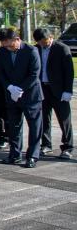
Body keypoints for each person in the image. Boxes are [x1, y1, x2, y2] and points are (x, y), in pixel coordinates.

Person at [0, 28, 43, 168]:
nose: (8, 48)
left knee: (34, 126)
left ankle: (32, 156)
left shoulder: (31, 51)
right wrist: (10, 87)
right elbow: (0, 72)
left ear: (17, 39)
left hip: (31, 95)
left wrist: (20, 89)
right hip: (12, 95)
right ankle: (15, 154)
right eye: (5, 45)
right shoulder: (3, 51)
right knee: (14, 127)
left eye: (10, 45)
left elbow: (34, 74)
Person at [34, 28, 73, 160]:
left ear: (51, 37)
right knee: (44, 118)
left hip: (59, 90)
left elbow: (69, 72)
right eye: (40, 41)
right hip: (42, 89)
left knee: (64, 119)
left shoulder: (62, 48)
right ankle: (46, 145)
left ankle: (67, 147)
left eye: (45, 40)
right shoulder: (36, 49)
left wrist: (68, 90)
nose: (44, 43)